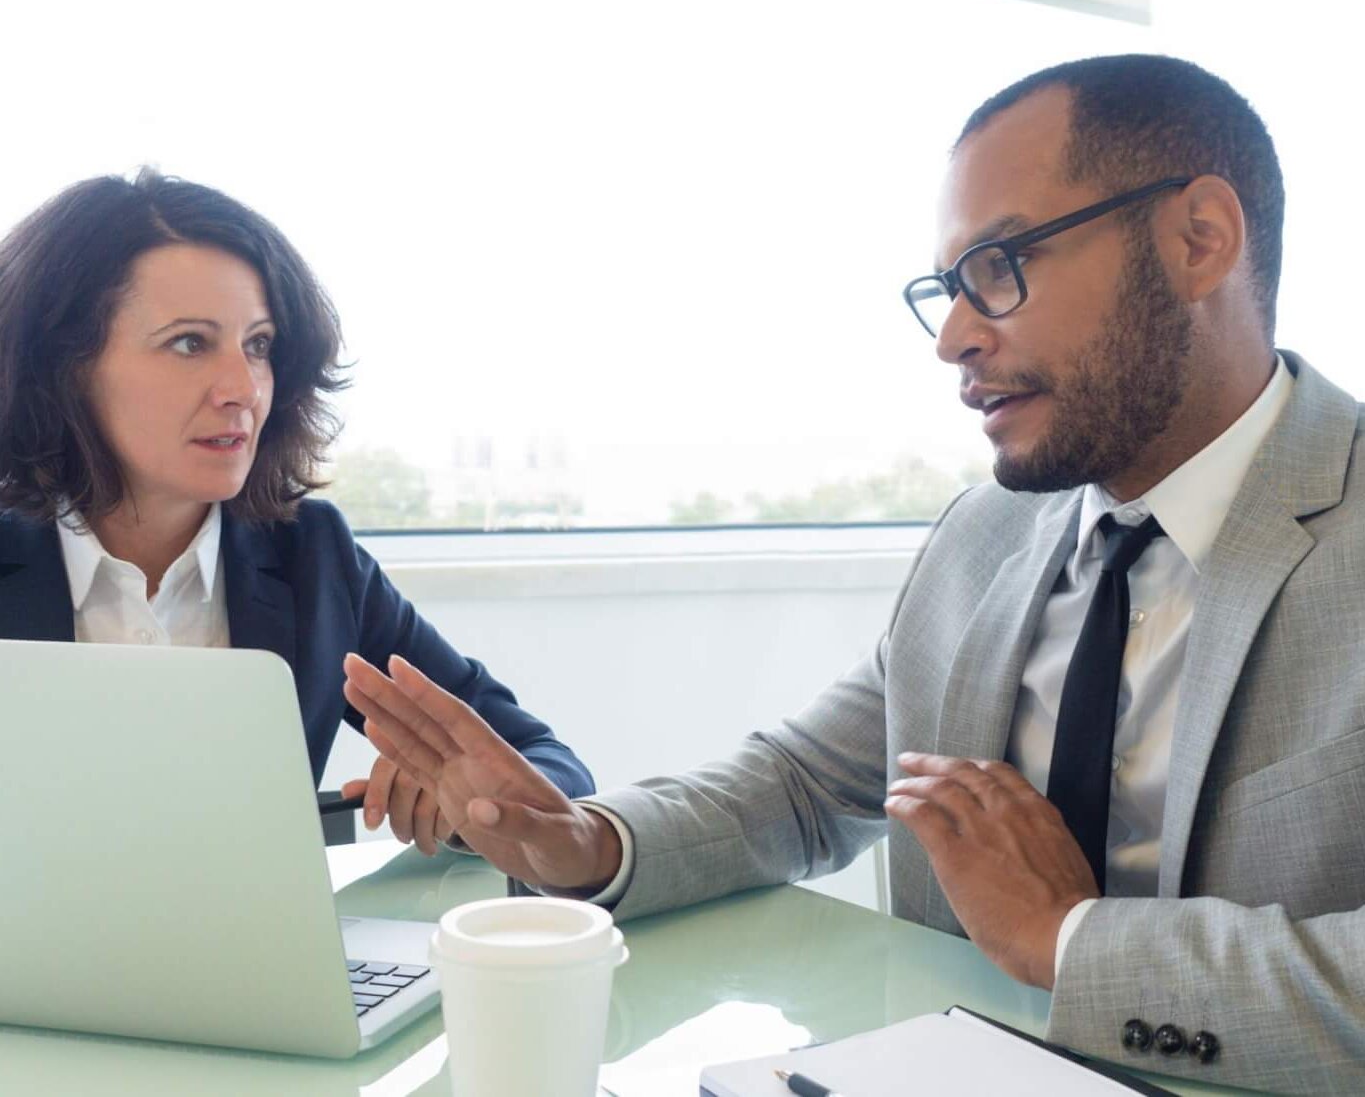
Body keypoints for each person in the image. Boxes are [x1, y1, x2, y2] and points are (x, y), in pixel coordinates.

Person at [343, 54, 1365, 1093]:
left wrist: (1067, 940)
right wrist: (587, 842)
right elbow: (806, 783)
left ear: (1200, 240)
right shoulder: (986, 534)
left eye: (1001, 266)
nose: (957, 338)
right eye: (948, 290)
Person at [0, 168, 593, 853]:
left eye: (258, 345)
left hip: (255, 956)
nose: (242, 388)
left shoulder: (313, 556)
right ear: (65, 364)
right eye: (190, 342)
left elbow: (545, 765)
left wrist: (466, 795)